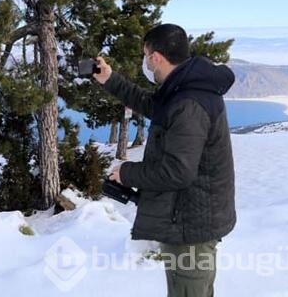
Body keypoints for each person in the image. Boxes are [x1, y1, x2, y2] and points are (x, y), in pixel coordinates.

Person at [93, 24, 236, 296]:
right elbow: (153, 106)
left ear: (156, 57)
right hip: (187, 218)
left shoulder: (189, 102)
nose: (145, 62)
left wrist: (126, 173)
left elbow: (177, 172)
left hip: (191, 226)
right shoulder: (182, 89)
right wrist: (110, 79)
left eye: (146, 55)